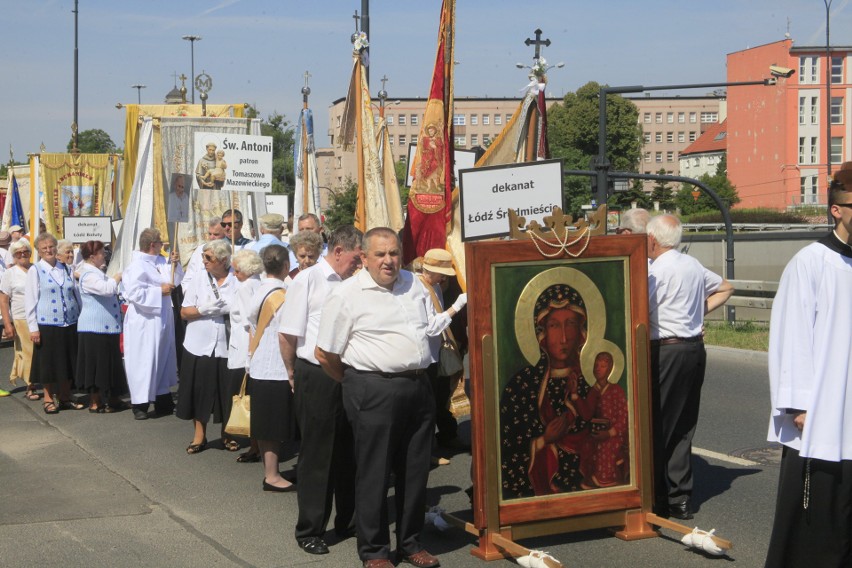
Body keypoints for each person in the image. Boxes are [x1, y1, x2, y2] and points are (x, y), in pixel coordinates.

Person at [316, 227, 463, 568]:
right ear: (363, 258)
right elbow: (325, 353)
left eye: (394, 253)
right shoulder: (348, 294)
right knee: (374, 473)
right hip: (372, 389)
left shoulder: (414, 285)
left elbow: (428, 330)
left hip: (417, 386)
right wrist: (356, 384)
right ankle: (375, 551)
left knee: (415, 471)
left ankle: (411, 543)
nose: (388, 261)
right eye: (380, 254)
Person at [764, 165, 852, 567]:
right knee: (820, 514)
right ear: (837, 210)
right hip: (824, 411)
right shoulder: (811, 263)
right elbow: (792, 334)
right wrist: (798, 405)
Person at [279, 225, 363, 556]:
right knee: (317, 454)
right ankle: (310, 528)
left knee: (349, 449)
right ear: (339, 250)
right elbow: (288, 333)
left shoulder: (355, 282)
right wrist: (291, 372)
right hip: (316, 372)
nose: (360, 263)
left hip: (350, 371)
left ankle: (348, 518)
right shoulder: (308, 280)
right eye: (357, 257)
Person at [647, 214, 733, 520]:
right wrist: (698, 314)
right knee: (684, 424)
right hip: (695, 348)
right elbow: (726, 287)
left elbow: (641, 313)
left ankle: (656, 497)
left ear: (652, 240)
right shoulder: (691, 264)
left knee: (659, 424)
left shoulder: (655, 271)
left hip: (667, 350)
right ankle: (680, 498)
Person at [500, 283, 598, 498]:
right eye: (554, 325)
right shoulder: (521, 385)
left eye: (570, 324)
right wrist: (544, 439)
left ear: (582, 332)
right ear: (541, 332)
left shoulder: (590, 382)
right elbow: (507, 448)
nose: (563, 338)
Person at [177, 239, 237, 454]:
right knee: (198, 390)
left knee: (226, 392)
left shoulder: (236, 278)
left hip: (227, 346)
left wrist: (230, 310)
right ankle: (199, 435)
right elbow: (184, 312)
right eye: (203, 257)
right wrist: (204, 310)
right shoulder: (200, 278)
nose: (204, 262)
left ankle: (227, 433)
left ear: (223, 260)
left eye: (209, 258)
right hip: (198, 344)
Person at [246, 245, 295, 492]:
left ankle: (271, 472)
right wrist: (291, 370)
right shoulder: (282, 295)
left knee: (266, 425)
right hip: (276, 366)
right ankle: (272, 475)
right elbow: (287, 334)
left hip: (258, 364)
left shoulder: (258, 290)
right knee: (273, 426)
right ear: (286, 266)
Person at [122, 228, 183, 420]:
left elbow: (174, 281)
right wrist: (159, 291)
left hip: (162, 318)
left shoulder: (158, 262)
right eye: (160, 243)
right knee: (144, 359)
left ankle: (162, 397)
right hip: (144, 320)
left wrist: (175, 264)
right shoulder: (137, 266)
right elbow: (134, 293)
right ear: (152, 245)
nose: (163, 246)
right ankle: (140, 403)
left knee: (162, 357)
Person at [415, 249, 469, 456]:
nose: (444, 277)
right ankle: (428, 451)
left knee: (440, 399)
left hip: (436, 354)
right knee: (427, 407)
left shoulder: (435, 286)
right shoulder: (418, 287)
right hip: (425, 357)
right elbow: (431, 327)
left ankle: (445, 439)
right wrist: (456, 306)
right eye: (441, 272)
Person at [25, 232, 84, 414]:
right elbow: (30, 300)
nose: (49, 250)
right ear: (39, 251)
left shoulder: (66, 268)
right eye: (44, 248)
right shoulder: (35, 270)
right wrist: (33, 328)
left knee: (67, 361)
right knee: (48, 363)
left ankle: (65, 397)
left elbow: (76, 295)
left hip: (70, 322)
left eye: (51, 247)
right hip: (47, 324)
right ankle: (49, 398)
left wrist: (82, 317)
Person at [75, 240, 128, 413]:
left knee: (111, 364)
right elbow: (106, 289)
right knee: (95, 366)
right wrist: (118, 277)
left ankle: (113, 398)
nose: (104, 255)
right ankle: (95, 400)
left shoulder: (98, 272)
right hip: (93, 328)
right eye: (100, 253)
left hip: (108, 326)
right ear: (92, 257)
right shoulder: (87, 274)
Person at [228, 248, 263, 463]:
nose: (234, 274)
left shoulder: (245, 287)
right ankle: (256, 444)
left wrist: (249, 354)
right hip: (254, 345)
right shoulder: (260, 282)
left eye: (237, 270)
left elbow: (247, 321)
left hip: (243, 346)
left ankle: (254, 445)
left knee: (247, 397)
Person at [584, 352, 629, 488]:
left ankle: (606, 480)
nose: (598, 369)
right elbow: (586, 414)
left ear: (610, 369)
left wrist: (609, 433)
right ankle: (589, 477)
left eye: (603, 366)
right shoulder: (593, 391)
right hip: (597, 432)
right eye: (596, 365)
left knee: (606, 446)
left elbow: (623, 418)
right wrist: (574, 395)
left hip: (615, 434)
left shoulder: (616, 390)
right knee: (585, 444)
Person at [0, 239, 36, 399]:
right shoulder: (10, 273)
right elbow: (3, 300)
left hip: (40, 316)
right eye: (19, 253)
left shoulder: (36, 269)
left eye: (25, 251)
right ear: (14, 256)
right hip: (21, 317)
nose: (23, 254)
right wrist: (7, 324)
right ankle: (30, 386)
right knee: (26, 353)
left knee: (39, 352)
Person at [182, 216, 225, 293]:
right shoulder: (199, 251)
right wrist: (191, 297)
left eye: (216, 234)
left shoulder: (230, 251)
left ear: (224, 233)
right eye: (210, 234)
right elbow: (188, 278)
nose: (212, 237)